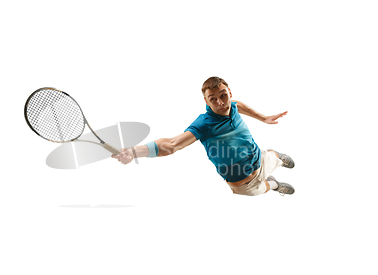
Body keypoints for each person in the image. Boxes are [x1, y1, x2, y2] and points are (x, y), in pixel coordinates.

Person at [112, 77, 295, 196]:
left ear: (229, 93)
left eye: (223, 96)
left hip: (260, 159)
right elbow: (172, 144)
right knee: (264, 188)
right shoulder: (205, 124)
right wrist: (135, 152)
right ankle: (276, 185)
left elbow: (238, 105)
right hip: (243, 186)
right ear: (206, 101)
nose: (220, 102)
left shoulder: (233, 105)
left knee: (274, 158)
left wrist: (263, 118)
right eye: (213, 99)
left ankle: (276, 156)